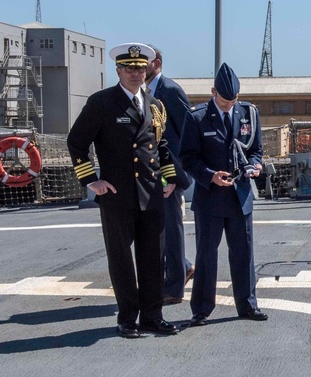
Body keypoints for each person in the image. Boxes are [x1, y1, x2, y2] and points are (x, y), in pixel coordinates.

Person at [67, 43, 182, 338]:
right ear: (118, 70)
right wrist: (91, 181)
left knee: (153, 258)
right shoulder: (102, 103)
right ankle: (128, 318)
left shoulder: (155, 105)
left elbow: (162, 146)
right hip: (117, 195)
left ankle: (153, 317)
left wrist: (169, 181)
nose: (135, 73)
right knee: (121, 259)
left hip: (152, 192)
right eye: (129, 68)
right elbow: (77, 142)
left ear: (147, 69)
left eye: (140, 68)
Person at [179, 63, 267, 326]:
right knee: (206, 255)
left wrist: (256, 166)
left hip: (240, 197)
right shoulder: (196, 117)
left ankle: (248, 305)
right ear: (213, 92)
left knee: (244, 253)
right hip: (210, 199)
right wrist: (209, 176)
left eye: (233, 100)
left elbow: (256, 150)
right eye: (224, 100)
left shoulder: (249, 113)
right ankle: (201, 310)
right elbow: (187, 158)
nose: (229, 105)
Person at [145, 46, 195, 304]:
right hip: (148, 172)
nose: (141, 66)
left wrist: (177, 174)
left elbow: (188, 132)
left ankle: (174, 288)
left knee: (172, 229)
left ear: (158, 62)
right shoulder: (141, 94)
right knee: (156, 228)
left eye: (146, 61)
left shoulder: (171, 91)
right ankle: (184, 266)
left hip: (169, 172)